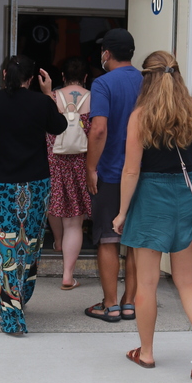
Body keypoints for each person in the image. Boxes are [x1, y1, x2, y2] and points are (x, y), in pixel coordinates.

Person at [112, 50, 192, 378]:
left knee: (146, 283)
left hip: (150, 200)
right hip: (186, 199)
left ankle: (145, 353)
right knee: (187, 281)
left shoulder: (140, 116)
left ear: (148, 79)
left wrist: (121, 213)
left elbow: (131, 171)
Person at [0, 55, 67, 336]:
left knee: (1, 248)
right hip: (34, 186)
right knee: (29, 243)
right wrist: (48, 94)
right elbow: (60, 127)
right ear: (32, 78)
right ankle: (21, 295)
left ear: (4, 74)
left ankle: (12, 315)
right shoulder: (41, 102)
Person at [84, 28, 143, 323]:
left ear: (106, 53)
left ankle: (110, 305)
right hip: (143, 175)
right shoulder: (148, 83)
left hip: (111, 172)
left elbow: (99, 129)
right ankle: (129, 302)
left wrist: (90, 168)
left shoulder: (103, 83)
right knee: (132, 240)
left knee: (108, 238)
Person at [46, 58, 92, 290]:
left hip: (54, 161)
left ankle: (57, 240)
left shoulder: (52, 97)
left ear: (63, 76)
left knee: (54, 204)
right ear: (85, 77)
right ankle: (67, 275)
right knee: (74, 222)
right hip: (81, 164)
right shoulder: (93, 98)